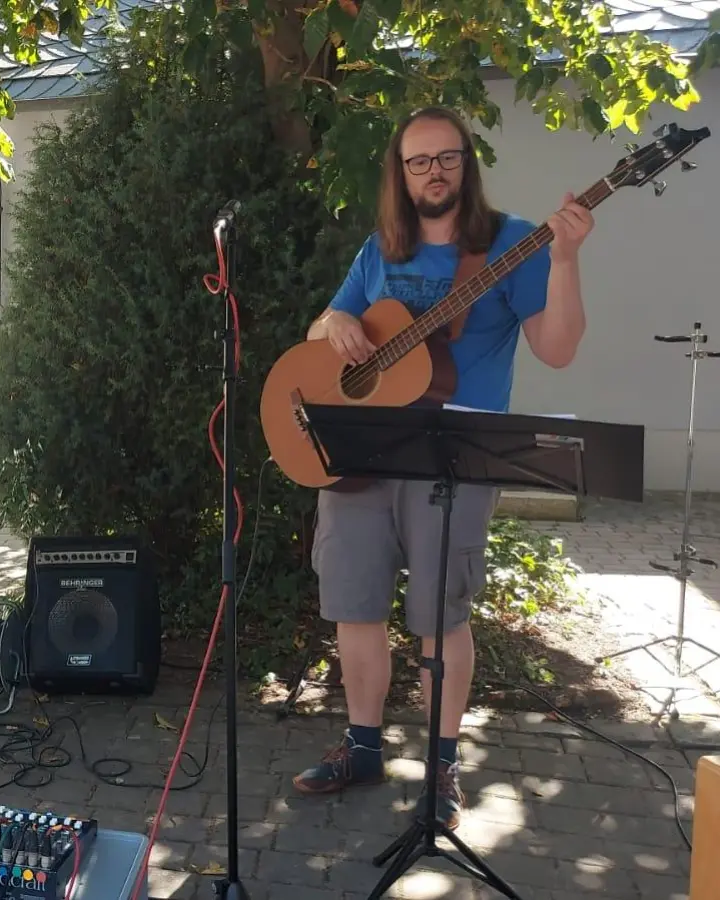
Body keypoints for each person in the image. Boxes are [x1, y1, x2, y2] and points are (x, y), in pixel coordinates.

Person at [294, 107, 593, 828]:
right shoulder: (381, 249)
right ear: (400, 173)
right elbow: (323, 332)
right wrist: (331, 323)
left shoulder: (512, 244)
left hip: (453, 457)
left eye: (446, 158)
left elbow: (557, 349)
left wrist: (566, 259)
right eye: (418, 161)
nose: (433, 171)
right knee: (354, 606)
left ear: (467, 164)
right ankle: (362, 747)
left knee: (439, 618)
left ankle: (441, 770)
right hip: (361, 453)